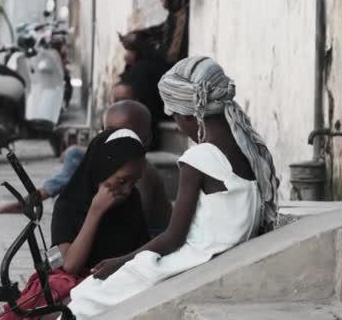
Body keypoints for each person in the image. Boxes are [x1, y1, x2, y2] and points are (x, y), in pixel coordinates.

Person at [65, 57, 280, 319]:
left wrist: (120, 262)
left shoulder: (199, 158)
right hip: (214, 255)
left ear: (191, 115)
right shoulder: (248, 151)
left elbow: (173, 238)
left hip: (191, 260)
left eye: (176, 117)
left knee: (87, 296)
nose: (177, 126)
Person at [0, 129, 150, 320]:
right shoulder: (70, 203)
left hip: (116, 281)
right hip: (76, 283)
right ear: (103, 169)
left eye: (133, 182)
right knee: (64, 307)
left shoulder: (132, 202)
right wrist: (96, 211)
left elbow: (143, 251)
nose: (127, 190)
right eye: (121, 181)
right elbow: (70, 265)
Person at [0, 101, 173, 237]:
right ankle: (33, 198)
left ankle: (32, 199)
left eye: (125, 134)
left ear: (146, 139)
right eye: (108, 132)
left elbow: (137, 232)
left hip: (142, 244)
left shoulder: (143, 175)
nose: (116, 140)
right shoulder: (112, 159)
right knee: (76, 156)